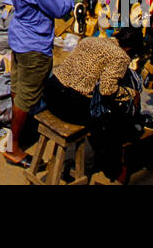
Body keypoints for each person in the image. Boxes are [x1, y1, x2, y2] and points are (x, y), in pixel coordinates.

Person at [2, 0, 81, 166]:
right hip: (35, 44)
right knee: (27, 96)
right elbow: (59, 9)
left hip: (19, 37)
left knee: (18, 87)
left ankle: (17, 134)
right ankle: (14, 148)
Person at [46, 26, 143, 183]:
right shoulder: (121, 56)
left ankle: (103, 156)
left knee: (98, 110)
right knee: (107, 120)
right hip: (66, 103)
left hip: (51, 92)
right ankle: (113, 169)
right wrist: (132, 94)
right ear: (130, 49)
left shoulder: (91, 40)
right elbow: (107, 90)